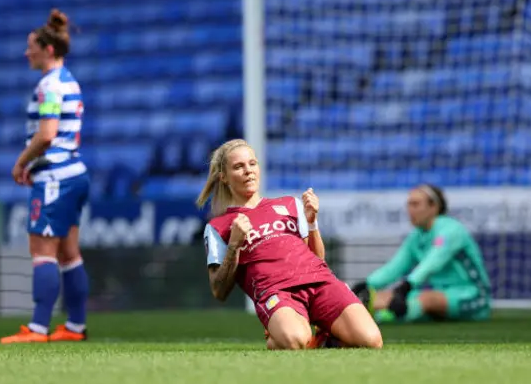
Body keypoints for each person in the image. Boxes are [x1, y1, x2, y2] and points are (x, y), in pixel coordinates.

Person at [196, 139, 383, 350]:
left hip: (319, 281)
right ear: (224, 177)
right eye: (239, 167)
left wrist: (312, 223)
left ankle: (324, 337)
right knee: (295, 340)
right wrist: (233, 246)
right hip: (276, 292)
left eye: (252, 163)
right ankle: (278, 332)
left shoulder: (289, 204)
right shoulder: (218, 226)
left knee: (371, 341)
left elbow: (318, 258)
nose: (248, 171)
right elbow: (219, 290)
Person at [1, 9, 90, 344]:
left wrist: (21, 163)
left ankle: (38, 328)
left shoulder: (50, 86)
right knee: (69, 253)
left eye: (31, 46)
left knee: (42, 250)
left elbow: (47, 134)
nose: (27, 53)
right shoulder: (69, 80)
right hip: (74, 173)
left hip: (55, 176)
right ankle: (75, 327)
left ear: (48, 50)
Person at [351, 184, 492, 324]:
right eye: (409, 205)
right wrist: (367, 284)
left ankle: (388, 317)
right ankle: (380, 316)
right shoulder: (416, 236)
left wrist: (406, 286)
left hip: (473, 296)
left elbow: (433, 262)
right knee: (385, 297)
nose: (410, 210)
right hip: (442, 296)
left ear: (434, 207)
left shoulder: (451, 230)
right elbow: (395, 267)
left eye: (416, 204)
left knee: (426, 299)